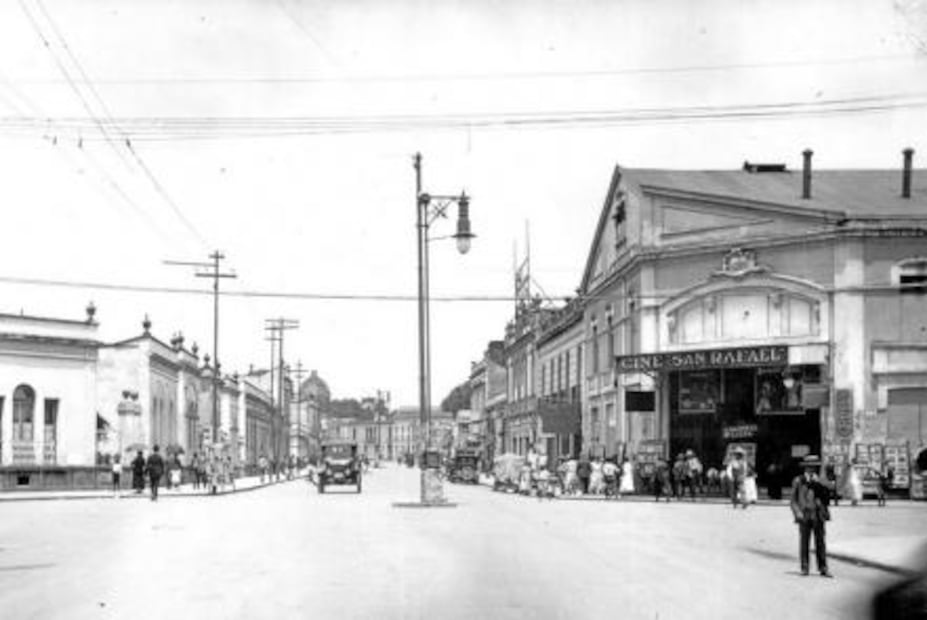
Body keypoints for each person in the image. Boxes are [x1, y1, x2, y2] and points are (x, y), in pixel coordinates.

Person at [789, 454, 834, 578]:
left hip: (818, 514)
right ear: (805, 468)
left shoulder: (821, 480)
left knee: (820, 542)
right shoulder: (798, 480)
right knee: (804, 541)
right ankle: (805, 567)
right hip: (805, 514)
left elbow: (828, 497)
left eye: (814, 467)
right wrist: (797, 512)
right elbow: (793, 500)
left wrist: (823, 484)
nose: (812, 469)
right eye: (809, 467)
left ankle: (823, 567)